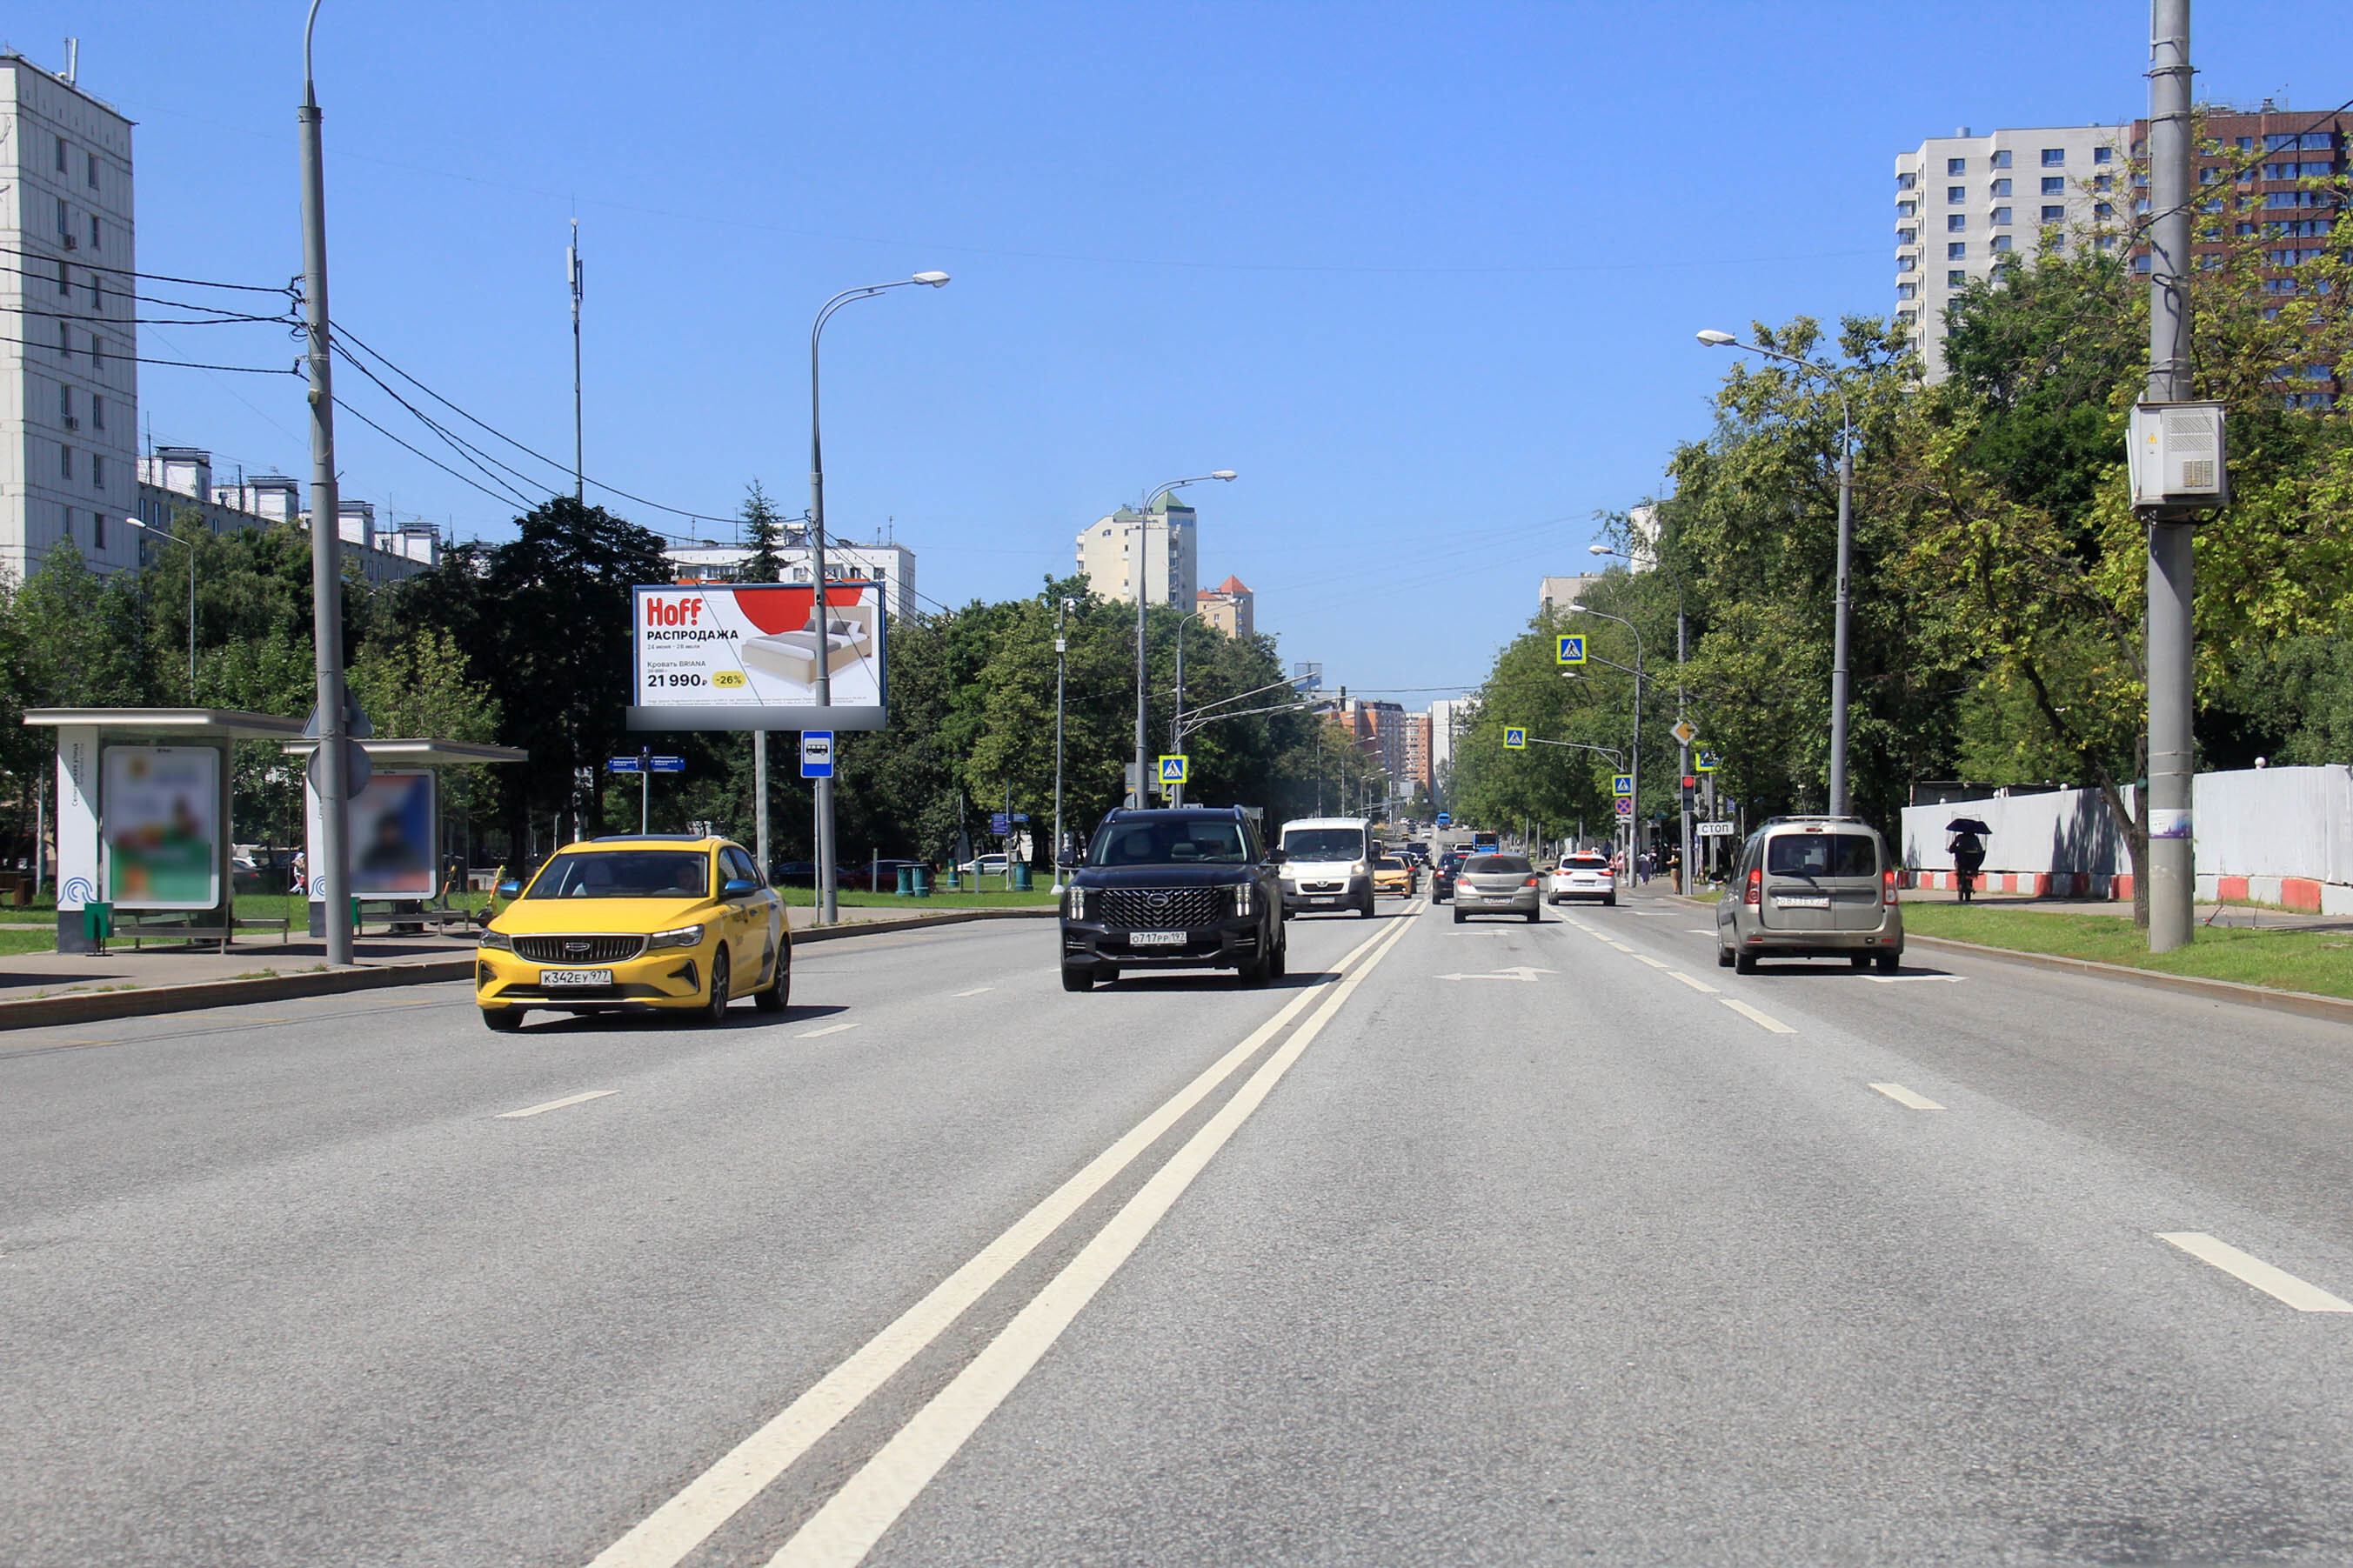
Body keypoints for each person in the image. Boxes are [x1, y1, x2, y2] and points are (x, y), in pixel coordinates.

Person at [1949, 828, 1986, 904]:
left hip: (1961, 860)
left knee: (1959, 873)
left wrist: (1954, 849)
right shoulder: (1975, 838)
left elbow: (1951, 848)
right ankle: (1968, 887)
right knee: (1971, 873)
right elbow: (1980, 849)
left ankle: (1961, 889)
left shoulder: (1959, 837)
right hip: (1972, 861)